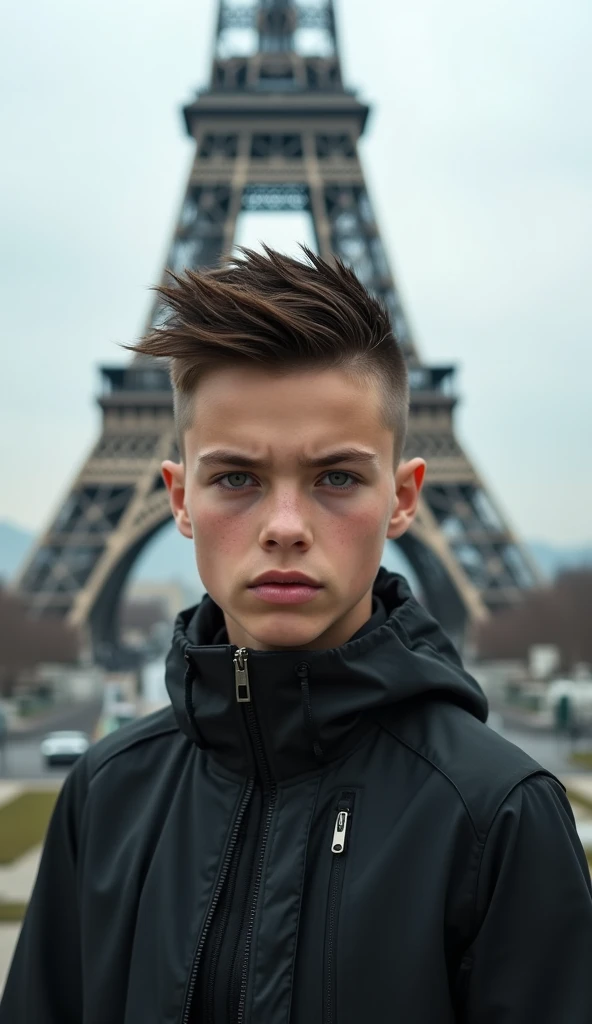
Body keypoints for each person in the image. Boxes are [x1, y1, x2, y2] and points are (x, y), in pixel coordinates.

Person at [2, 245, 591, 1023]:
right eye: (236, 478)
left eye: (337, 478)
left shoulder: (503, 818)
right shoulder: (101, 796)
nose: (284, 528)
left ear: (404, 497)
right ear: (179, 497)